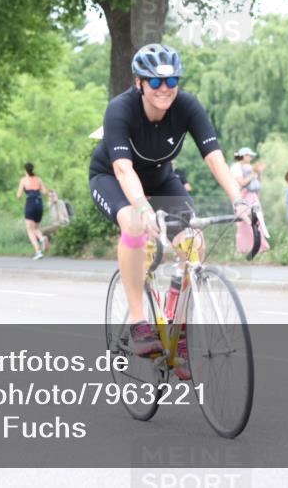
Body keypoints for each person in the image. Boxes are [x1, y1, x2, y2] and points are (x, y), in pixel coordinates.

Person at [89, 43, 249, 377]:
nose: (165, 89)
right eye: (156, 82)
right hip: (113, 178)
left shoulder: (187, 105)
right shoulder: (120, 109)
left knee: (194, 242)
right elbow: (122, 169)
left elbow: (214, 157)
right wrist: (144, 209)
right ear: (140, 83)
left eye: (172, 81)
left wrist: (240, 199)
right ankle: (138, 324)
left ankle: (179, 330)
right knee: (133, 223)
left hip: (161, 180)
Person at [230, 147, 269, 255]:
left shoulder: (249, 167)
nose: (251, 158)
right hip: (242, 198)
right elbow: (241, 183)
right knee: (244, 224)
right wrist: (254, 173)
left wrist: (259, 172)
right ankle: (244, 249)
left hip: (253, 198)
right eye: (249, 155)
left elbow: (258, 183)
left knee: (258, 221)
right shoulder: (236, 167)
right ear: (243, 156)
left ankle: (261, 248)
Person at [17, 162, 48, 260]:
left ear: (25, 170)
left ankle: (38, 251)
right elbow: (44, 192)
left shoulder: (24, 180)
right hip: (39, 203)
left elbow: (19, 195)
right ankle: (42, 238)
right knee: (36, 228)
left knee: (30, 230)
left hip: (30, 203)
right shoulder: (39, 179)